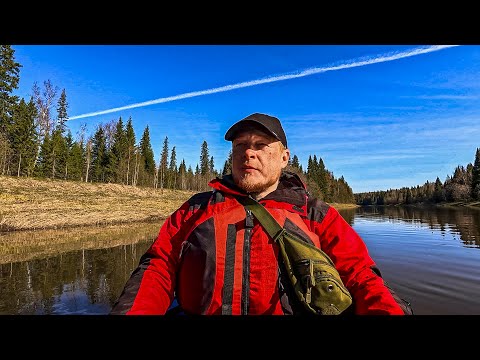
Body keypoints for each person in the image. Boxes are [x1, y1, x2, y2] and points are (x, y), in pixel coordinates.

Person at [110, 112, 411, 315]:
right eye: (240, 145)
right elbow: (157, 269)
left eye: (260, 146)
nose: (248, 153)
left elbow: (361, 277)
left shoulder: (317, 215)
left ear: (283, 158)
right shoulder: (195, 209)